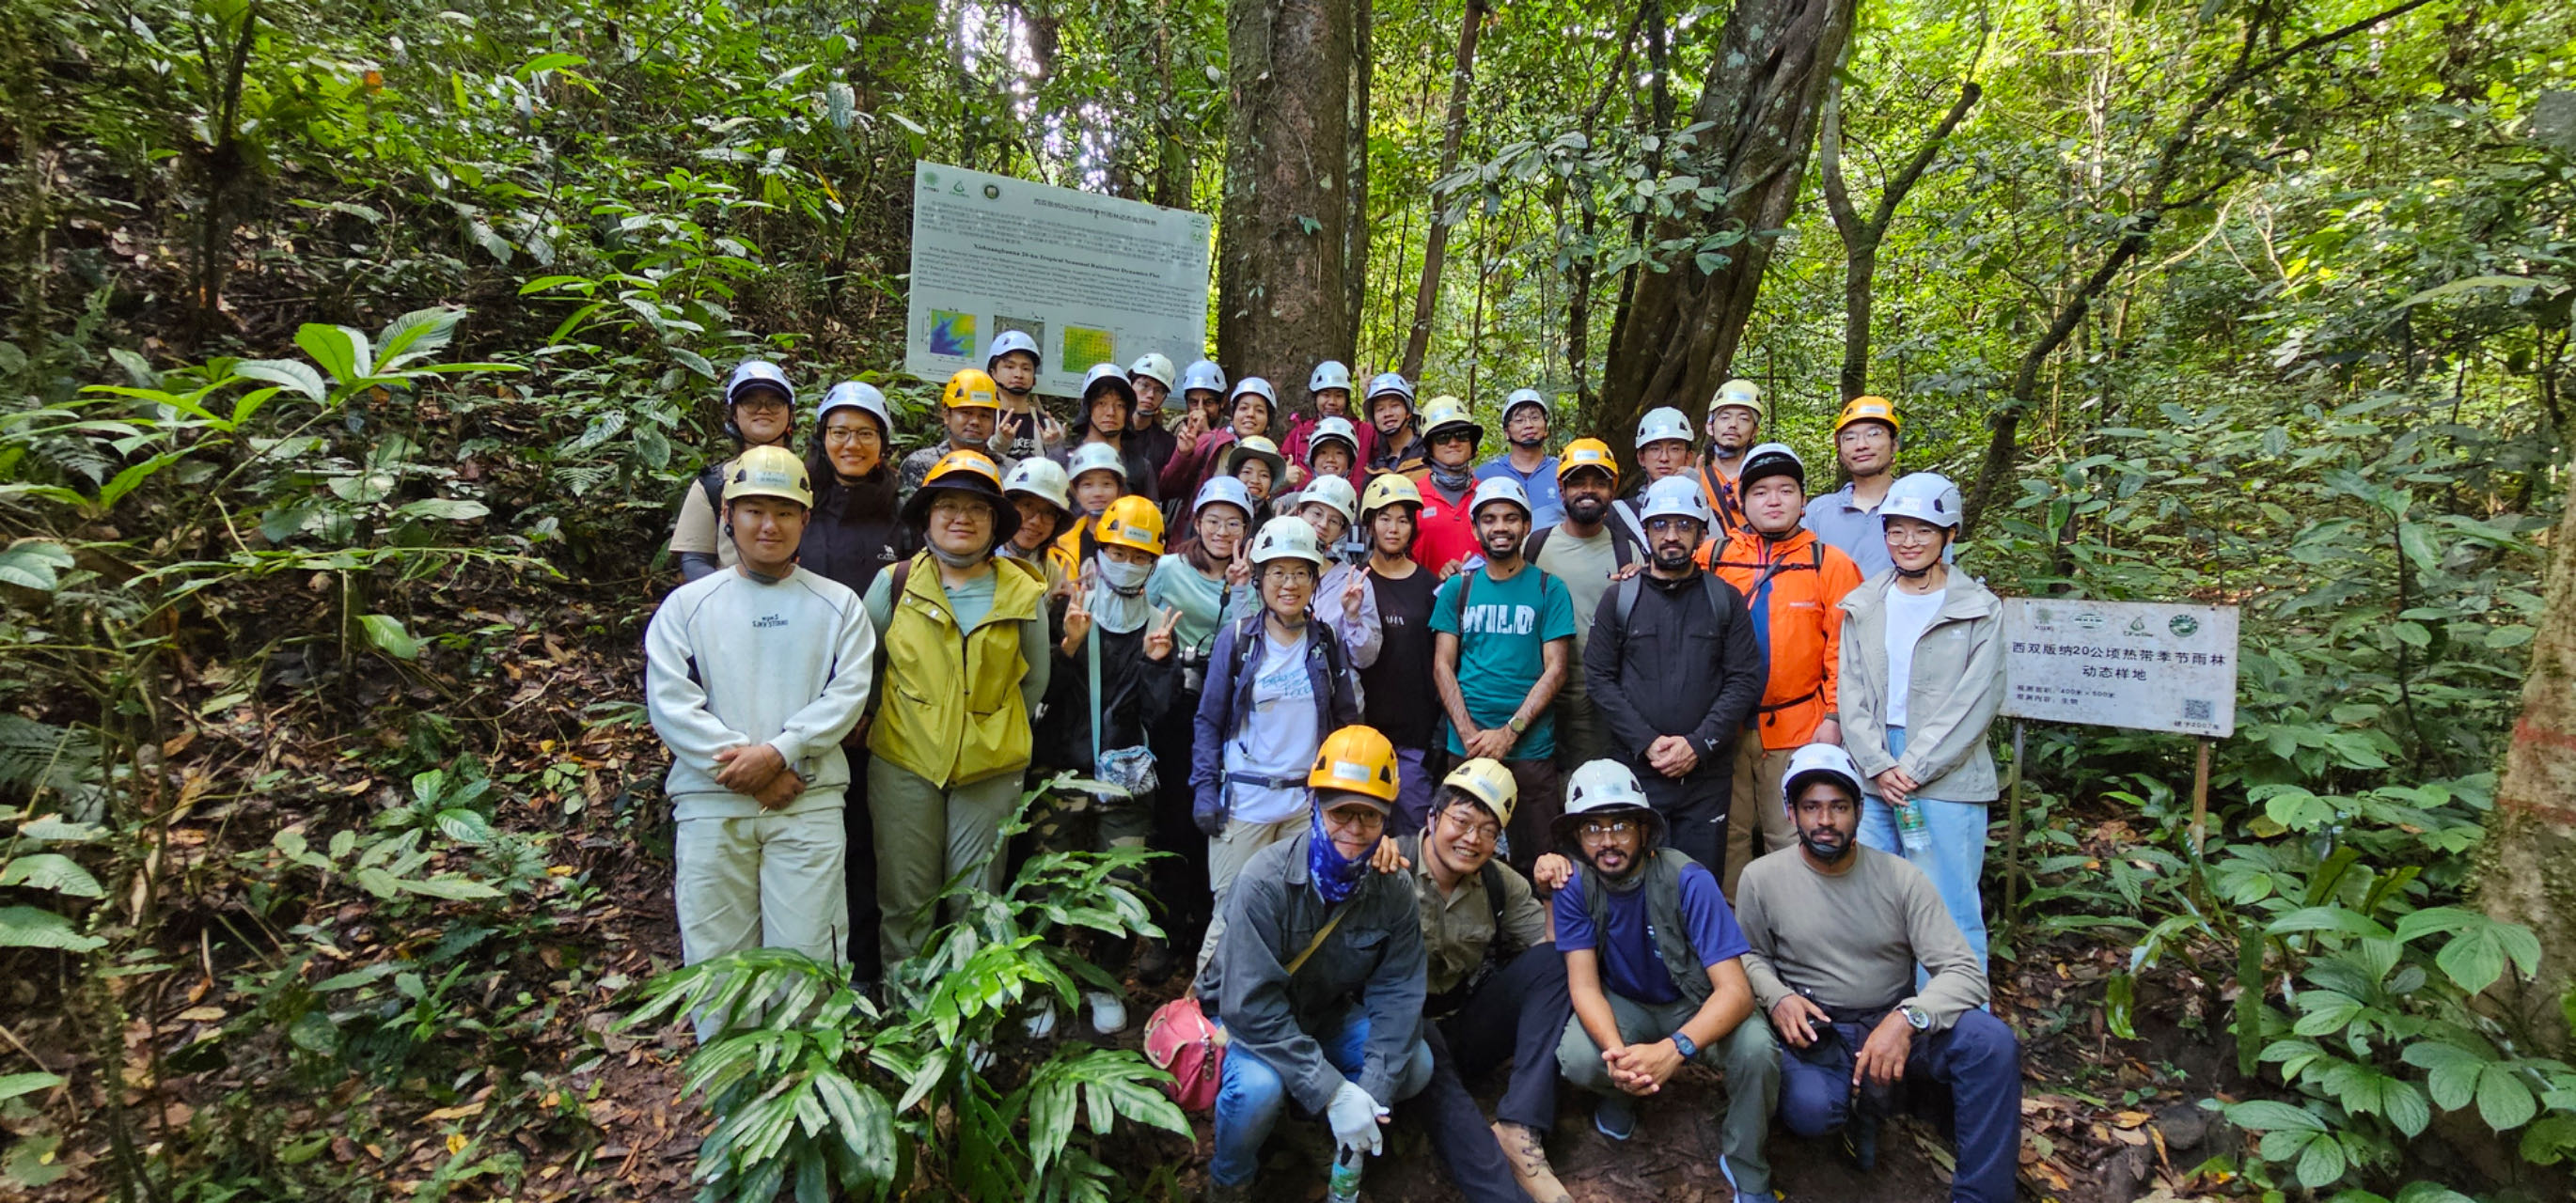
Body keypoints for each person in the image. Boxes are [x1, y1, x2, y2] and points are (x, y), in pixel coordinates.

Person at [1737, 743, 2021, 1202]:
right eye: (1811, 807)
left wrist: (1909, 1019)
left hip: (1893, 1025)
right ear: (1791, 813)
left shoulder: (1900, 878)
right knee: (1812, 1110)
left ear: (1859, 812)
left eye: (1839, 807)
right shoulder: (1761, 878)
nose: (1825, 821)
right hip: (1819, 1031)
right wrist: (1778, 997)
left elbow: (1964, 972)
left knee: (1990, 1042)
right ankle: (1855, 1114)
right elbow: (1749, 955)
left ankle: (1981, 1195)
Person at [645, 445, 877, 988]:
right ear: (727, 516)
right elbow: (672, 702)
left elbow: (847, 695)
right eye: (754, 510)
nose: (769, 525)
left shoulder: (839, 605)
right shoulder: (687, 606)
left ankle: (806, 1048)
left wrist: (779, 752)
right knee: (717, 959)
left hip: (807, 801)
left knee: (811, 957)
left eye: (784, 512)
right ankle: (729, 1049)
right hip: (713, 803)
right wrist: (755, 771)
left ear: (805, 520)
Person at [1195, 726, 1434, 1203]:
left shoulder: (1392, 889)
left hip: (1323, 1014)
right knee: (1258, 1089)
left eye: (1370, 816)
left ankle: (1319, 1131)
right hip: (1248, 1021)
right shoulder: (1264, 881)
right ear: (1315, 807)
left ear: (1385, 820)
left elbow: (1399, 991)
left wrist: (1369, 1093)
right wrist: (1333, 1092)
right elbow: (1249, 1006)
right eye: (1341, 811)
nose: (1354, 829)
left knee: (1415, 1065)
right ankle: (1230, 1180)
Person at [1550, 758, 1778, 1198]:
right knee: (1579, 1056)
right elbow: (1584, 986)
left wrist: (1675, 1050)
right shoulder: (1575, 886)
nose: (1608, 841)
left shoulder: (1687, 879)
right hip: (1628, 1005)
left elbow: (1736, 992)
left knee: (1756, 1050)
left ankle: (1747, 1163)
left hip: (1694, 1002)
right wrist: (1619, 1057)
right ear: (1577, 838)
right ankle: (1622, 1093)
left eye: (1620, 826)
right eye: (1592, 828)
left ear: (1644, 830)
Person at [862, 449, 1052, 964]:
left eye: (977, 509)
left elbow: (1034, 681)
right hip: (904, 760)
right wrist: (906, 716)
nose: (961, 518)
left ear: (995, 522)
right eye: (947, 505)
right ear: (928, 516)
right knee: (906, 898)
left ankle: (968, 1007)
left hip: (991, 767)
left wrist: (988, 726)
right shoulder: (895, 584)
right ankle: (908, 1003)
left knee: (977, 900)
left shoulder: (1023, 591)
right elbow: (866, 669)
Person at [1836, 472, 2005, 963]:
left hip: (1946, 772)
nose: (1908, 542)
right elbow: (1851, 690)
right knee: (1870, 903)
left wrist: (1912, 767)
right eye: (1897, 530)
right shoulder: (1866, 602)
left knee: (1947, 907)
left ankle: (1956, 1010)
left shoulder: (1978, 609)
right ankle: (1883, 1008)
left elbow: (1976, 699)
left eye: (1923, 530)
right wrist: (1877, 764)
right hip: (1873, 770)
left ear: (1949, 534)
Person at [1031, 495, 1182, 1036]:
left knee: (1122, 883)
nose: (1127, 563)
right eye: (1118, 552)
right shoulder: (1069, 609)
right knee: (1047, 882)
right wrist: (1069, 647)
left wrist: (1159, 663)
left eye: (1140, 556)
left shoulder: (1159, 626)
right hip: (1062, 773)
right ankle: (1041, 986)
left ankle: (1104, 981)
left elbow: (1161, 716)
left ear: (1154, 563)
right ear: (1100, 550)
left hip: (1126, 784)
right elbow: (1041, 696)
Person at [1396, 759, 1579, 1203]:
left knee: (1558, 962)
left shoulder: (1499, 882)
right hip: (1402, 1036)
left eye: (1487, 830)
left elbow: (1550, 957)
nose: (1472, 839)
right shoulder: (1391, 866)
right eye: (1461, 821)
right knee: (1442, 1087)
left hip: (1465, 1023)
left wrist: (1551, 895)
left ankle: (1521, 1123)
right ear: (1432, 817)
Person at [1192, 516, 1364, 968]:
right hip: (1244, 803)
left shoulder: (1325, 642)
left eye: (1301, 573)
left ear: (1314, 580)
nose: (1290, 584)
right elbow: (1209, 720)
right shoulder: (1238, 640)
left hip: (1303, 806)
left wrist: (1341, 798)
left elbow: (1345, 721)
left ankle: (1276, 1002)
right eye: (1278, 573)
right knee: (1230, 914)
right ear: (1260, 578)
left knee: (1297, 915)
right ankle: (1206, 1007)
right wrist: (1205, 789)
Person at [1582, 476, 1765, 876]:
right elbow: (1599, 678)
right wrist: (1646, 742)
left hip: (1706, 777)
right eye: (1661, 525)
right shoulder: (1620, 598)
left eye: (1684, 525)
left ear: (1701, 533)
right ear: (1646, 531)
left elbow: (1743, 680)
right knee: (1636, 880)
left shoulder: (1724, 599)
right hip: (1636, 773)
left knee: (1699, 880)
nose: (1671, 536)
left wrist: (1698, 745)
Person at [1704, 443, 1864, 896]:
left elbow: (1845, 650)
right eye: (1760, 492)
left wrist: (1833, 717)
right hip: (1723, 727)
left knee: (1791, 833)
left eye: (1785, 490)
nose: (1773, 500)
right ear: (1742, 501)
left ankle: (1800, 925)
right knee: (1728, 837)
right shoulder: (1713, 557)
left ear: (1803, 499)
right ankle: (1733, 926)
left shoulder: (1829, 563)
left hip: (1799, 726)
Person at [798, 383, 907, 981]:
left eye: (865, 433)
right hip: (798, 700)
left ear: (883, 444)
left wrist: (870, 706)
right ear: (822, 437)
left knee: (866, 839)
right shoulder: (799, 507)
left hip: (872, 712)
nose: (852, 444)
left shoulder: (900, 517)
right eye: (839, 432)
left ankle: (863, 966)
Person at [1139, 477, 1260, 979]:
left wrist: (1242, 587)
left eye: (1233, 523)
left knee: (1217, 819)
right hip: (1177, 703)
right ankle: (1165, 930)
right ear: (1197, 521)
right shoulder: (1169, 569)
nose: (1222, 531)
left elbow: (1253, 637)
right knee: (1174, 817)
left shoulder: (1253, 579)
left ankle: (1208, 927)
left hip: (1229, 711)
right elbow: (1138, 612)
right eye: (1213, 520)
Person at [1428, 476, 1576, 870]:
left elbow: (1556, 670)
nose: (1500, 527)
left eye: (1511, 518)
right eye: (1490, 519)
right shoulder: (1458, 589)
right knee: (1460, 855)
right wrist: (1468, 734)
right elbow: (1442, 665)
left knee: (1539, 862)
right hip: (1466, 747)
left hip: (1530, 750)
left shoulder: (1549, 589)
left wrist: (1509, 733)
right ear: (1476, 528)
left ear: (1526, 526)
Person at [1522, 438, 1641, 770]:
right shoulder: (1533, 546)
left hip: (1596, 701)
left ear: (1612, 490)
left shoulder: (1627, 553)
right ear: (1561, 489)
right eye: (1578, 482)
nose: (1588, 490)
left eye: (1599, 482)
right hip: (1536, 692)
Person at [1354, 475, 1444, 833]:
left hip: (1415, 735)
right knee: (1362, 830)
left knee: (1413, 830)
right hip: (1364, 730)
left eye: (1403, 520)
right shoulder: (1355, 582)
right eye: (1385, 518)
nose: (1393, 529)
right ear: (1370, 525)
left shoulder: (1430, 586)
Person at [668, 360, 799, 582]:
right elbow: (695, 559)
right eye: (750, 403)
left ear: (790, 414)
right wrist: (727, 595)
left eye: (775, 403)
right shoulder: (714, 484)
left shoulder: (809, 480)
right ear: (735, 415)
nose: (763, 410)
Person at [1802, 396, 1906, 580]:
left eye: (1874, 434)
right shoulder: (1818, 512)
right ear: (1840, 451)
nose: (1861, 445)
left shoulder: (1914, 506)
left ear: (1894, 444)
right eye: (1849, 438)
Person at [899, 368, 1016, 503]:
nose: (975, 421)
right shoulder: (921, 464)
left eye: (984, 415)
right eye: (966, 412)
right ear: (946, 415)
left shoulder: (1010, 470)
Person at [1406, 395, 1487, 578]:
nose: (1453, 443)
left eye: (1462, 435)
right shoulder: (1413, 497)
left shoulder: (1487, 496)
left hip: (1483, 593)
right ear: (1430, 446)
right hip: (1426, 594)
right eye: (1442, 438)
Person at [1159, 376, 1277, 501]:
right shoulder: (1211, 442)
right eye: (1243, 408)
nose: (1250, 414)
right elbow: (1166, 489)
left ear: (1268, 420)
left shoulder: (1273, 457)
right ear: (1233, 414)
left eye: (1259, 411)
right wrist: (1183, 455)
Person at [1063, 361, 1160, 503]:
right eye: (1102, 403)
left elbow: (1151, 514)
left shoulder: (1140, 467)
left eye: (1120, 405)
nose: (1111, 412)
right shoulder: (1063, 458)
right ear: (1087, 407)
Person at [1473, 388, 1565, 530]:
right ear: (1507, 432)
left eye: (1535, 418)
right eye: (1519, 420)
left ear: (1546, 427)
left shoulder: (1562, 471)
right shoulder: (1485, 474)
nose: (1528, 425)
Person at [1610, 405, 1696, 548]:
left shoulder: (1699, 512)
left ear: (1688, 458)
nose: (1664, 458)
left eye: (1674, 449)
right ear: (1641, 458)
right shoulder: (1618, 515)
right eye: (1655, 449)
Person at [1283, 359, 1377, 482]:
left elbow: (1389, 445)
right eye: (1325, 395)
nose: (1332, 402)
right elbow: (1275, 473)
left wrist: (1373, 399)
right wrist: (1284, 478)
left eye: (1339, 396)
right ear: (1316, 398)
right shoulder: (1299, 434)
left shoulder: (1363, 432)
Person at [1695, 379, 1765, 539]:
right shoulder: (1696, 480)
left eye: (1743, 419)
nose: (1733, 424)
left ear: (1755, 431)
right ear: (1710, 426)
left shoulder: (1764, 483)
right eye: (1725, 417)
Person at [998, 458, 1076, 599]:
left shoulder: (1050, 573)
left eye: (1048, 513)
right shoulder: (979, 560)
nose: (1036, 521)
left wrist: (1053, 603)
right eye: (1028, 506)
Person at [1052, 441, 1131, 580]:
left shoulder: (1134, 536)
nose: (1098, 493)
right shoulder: (1060, 542)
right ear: (1076, 492)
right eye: (1087, 485)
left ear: (1119, 490)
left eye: (1107, 484)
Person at [985, 328, 1062, 462]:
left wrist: (1055, 448)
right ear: (993, 373)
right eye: (1009, 367)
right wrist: (998, 445)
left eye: (1026, 369)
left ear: (1034, 378)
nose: (1018, 375)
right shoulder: (983, 420)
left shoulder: (1049, 426)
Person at [1365, 371, 1426, 477]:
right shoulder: (1375, 468)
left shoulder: (1429, 453)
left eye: (1394, 406)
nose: (1388, 414)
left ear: (1408, 410)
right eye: (1380, 409)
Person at [1127, 353, 1181, 475]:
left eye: (1159, 390)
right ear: (1130, 385)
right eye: (1144, 385)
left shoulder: (1168, 445)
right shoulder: (1111, 431)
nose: (1151, 395)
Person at [1222, 434, 1288, 516]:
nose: (1255, 480)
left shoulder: (1273, 519)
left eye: (1264, 475)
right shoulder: (1217, 511)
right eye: (1247, 472)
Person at [1302, 415, 1365, 493]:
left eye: (1339, 453)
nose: (1330, 459)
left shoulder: (1356, 500)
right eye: (1323, 452)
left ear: (1350, 461)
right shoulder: (1296, 499)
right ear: (1312, 459)